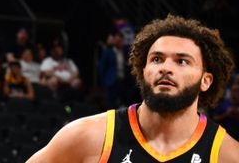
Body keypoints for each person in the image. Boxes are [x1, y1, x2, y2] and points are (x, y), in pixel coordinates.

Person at [27, 15, 238, 163]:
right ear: (143, 70)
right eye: (157, 59)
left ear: (206, 80)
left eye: (182, 61)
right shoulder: (87, 137)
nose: (165, 68)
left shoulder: (228, 155)